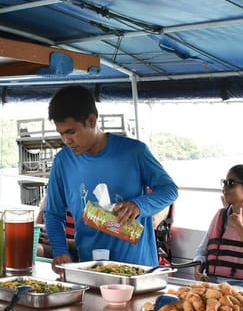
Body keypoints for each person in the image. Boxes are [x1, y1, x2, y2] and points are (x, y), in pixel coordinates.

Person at [44, 85, 178, 267]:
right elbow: (53, 213)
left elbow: (169, 190)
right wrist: (60, 251)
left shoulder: (134, 152)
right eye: (61, 134)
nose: (66, 141)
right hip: (90, 267)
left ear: (92, 121)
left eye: (71, 132)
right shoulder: (63, 162)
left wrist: (139, 205)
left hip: (138, 268)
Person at [194, 165, 243, 289]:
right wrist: (198, 272)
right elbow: (202, 252)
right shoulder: (219, 215)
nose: (225, 188)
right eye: (224, 183)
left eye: (231, 183)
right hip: (213, 285)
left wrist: (239, 226)